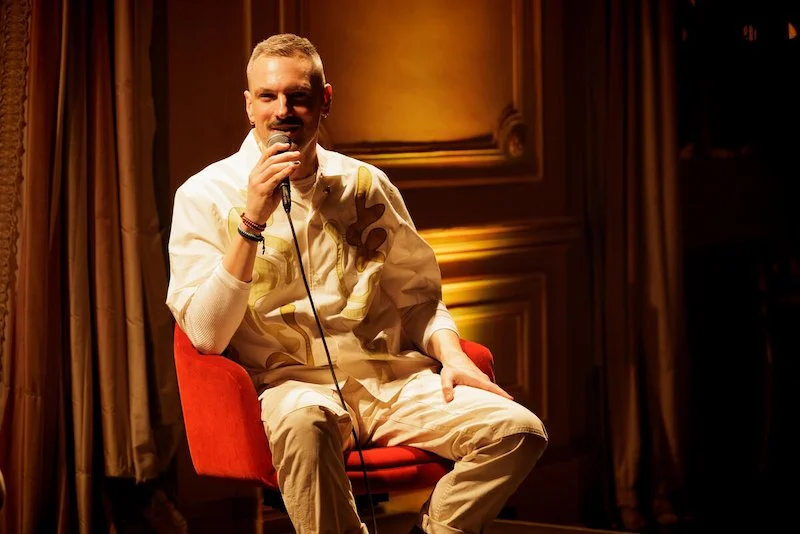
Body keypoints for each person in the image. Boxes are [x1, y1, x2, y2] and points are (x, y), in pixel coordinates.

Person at [166, 33, 548, 534]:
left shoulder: (365, 184)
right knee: (306, 423)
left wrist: (451, 355)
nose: (283, 110)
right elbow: (206, 336)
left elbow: (418, 297)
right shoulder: (204, 194)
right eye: (268, 96)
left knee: (521, 431)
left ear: (324, 101)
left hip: (390, 381)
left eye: (299, 96)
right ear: (249, 105)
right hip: (292, 389)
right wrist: (251, 222)